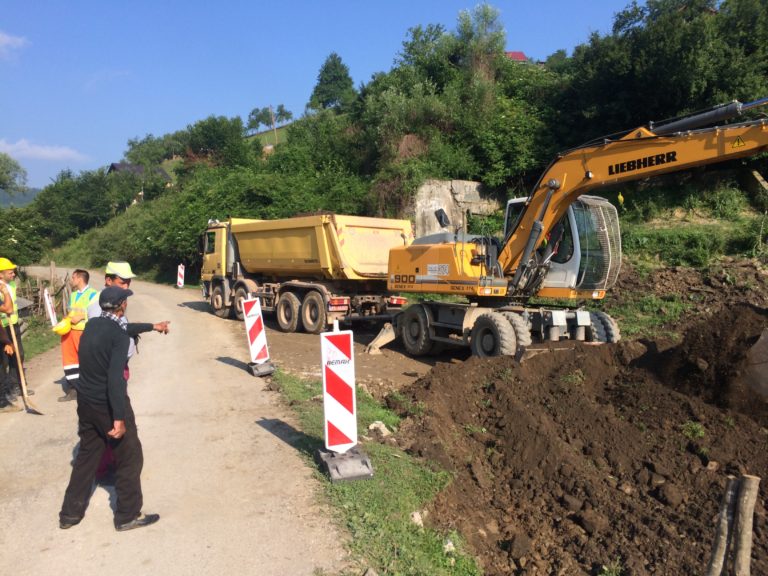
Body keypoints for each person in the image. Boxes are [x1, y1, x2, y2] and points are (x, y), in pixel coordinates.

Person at [59, 286, 160, 531]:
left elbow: (124, 327)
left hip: (86, 402)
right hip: (108, 404)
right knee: (129, 456)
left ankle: (69, 514)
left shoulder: (92, 325)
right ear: (122, 305)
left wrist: (152, 326)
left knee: (87, 455)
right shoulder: (118, 337)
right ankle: (127, 515)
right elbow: (115, 379)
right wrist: (118, 418)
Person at [58, 269, 101, 402]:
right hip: (70, 331)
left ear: (79, 279)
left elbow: (97, 313)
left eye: (73, 277)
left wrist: (82, 316)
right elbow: (72, 312)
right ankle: (73, 389)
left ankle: (90, 389)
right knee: (70, 361)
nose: (71, 280)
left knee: (86, 360)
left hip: (84, 332)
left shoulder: (94, 294)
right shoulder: (73, 295)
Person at [0, 257, 31, 402]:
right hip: (2, 328)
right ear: (1, 274)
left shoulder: (11, 284)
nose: (13, 274)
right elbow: (7, 307)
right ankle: (6, 391)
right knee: (4, 360)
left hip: (13, 325)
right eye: (10, 272)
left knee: (19, 354)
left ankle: (17, 386)